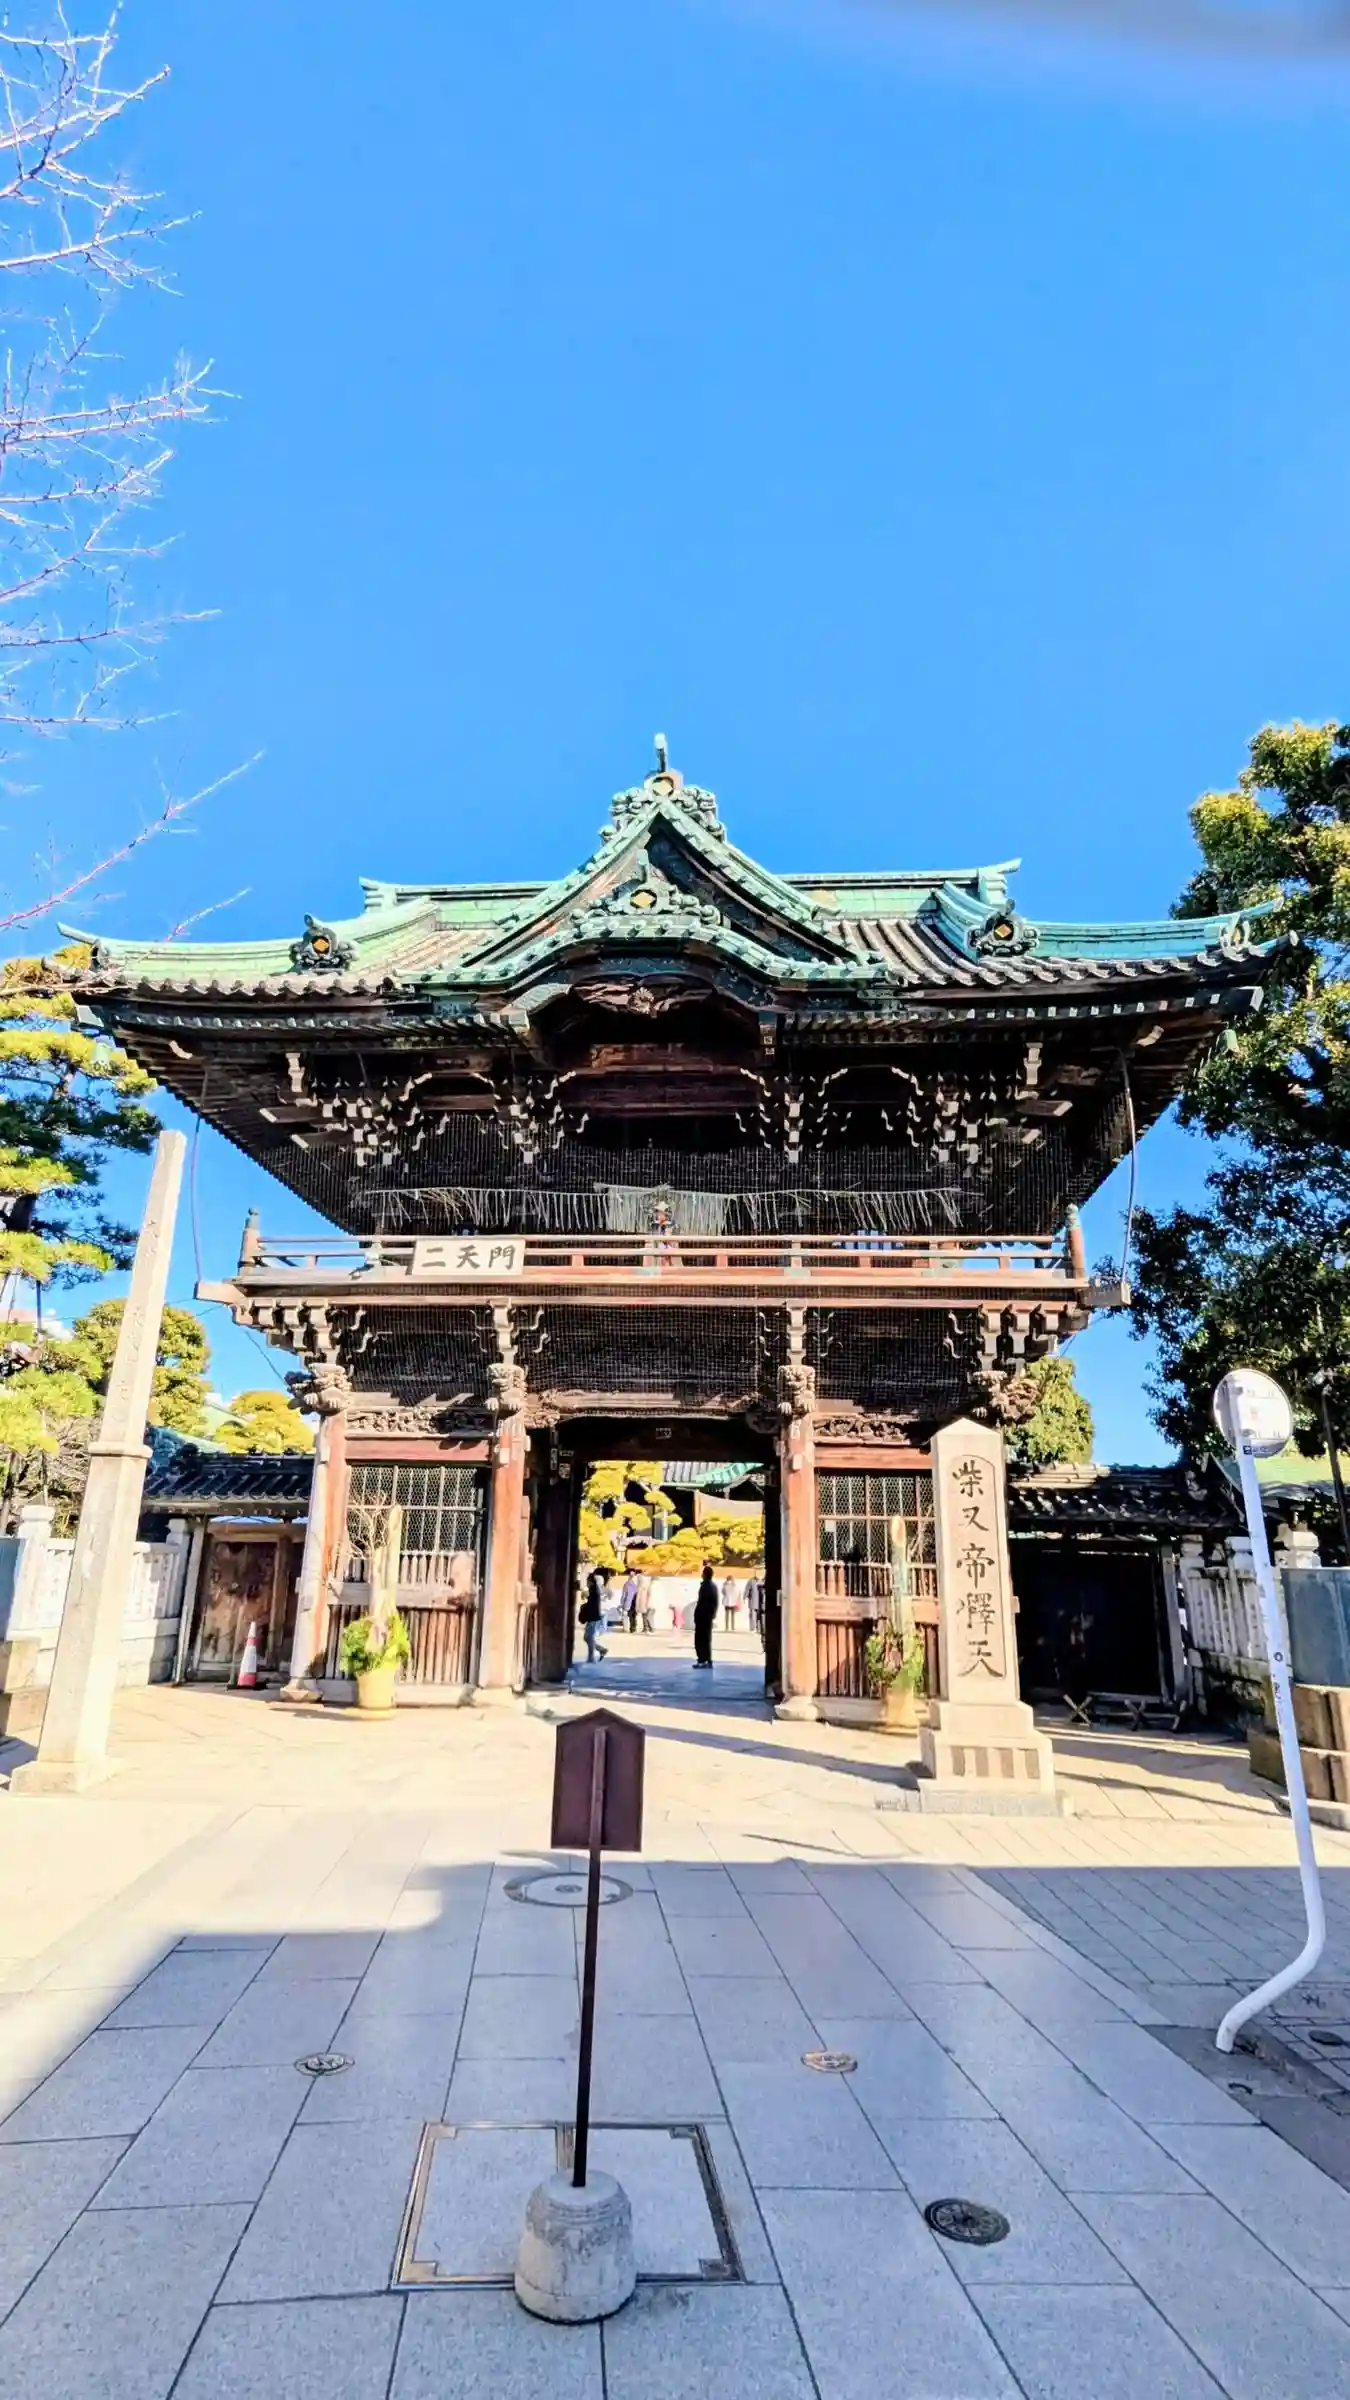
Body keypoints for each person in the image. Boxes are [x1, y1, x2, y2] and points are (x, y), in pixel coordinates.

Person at [579, 1567, 609, 1665]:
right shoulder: (593, 1591)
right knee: (588, 1637)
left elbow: (593, 1604)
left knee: (589, 1637)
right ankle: (600, 1650)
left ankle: (591, 1657)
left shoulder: (595, 1591)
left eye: (588, 1582)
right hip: (594, 1615)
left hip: (593, 1616)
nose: (587, 1583)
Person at [693, 1561, 718, 1669]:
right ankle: (707, 1659)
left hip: (702, 1616)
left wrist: (697, 1615)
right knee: (706, 1639)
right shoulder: (713, 1586)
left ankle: (702, 1659)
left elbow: (702, 1602)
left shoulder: (705, 1586)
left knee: (700, 1639)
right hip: (707, 1617)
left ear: (705, 1574)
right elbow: (715, 1602)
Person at [620, 1566, 640, 1633]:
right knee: (633, 1615)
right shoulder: (636, 1584)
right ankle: (633, 1627)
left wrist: (622, 1602)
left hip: (630, 1601)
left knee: (631, 1615)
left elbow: (624, 1594)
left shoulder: (626, 1584)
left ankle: (632, 1627)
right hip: (634, 1601)